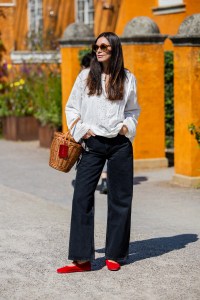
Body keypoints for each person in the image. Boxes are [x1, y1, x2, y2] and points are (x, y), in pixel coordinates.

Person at [57, 32, 140, 273]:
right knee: (82, 196)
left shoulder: (127, 78)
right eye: (96, 46)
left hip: (119, 145)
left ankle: (115, 254)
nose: (98, 50)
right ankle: (81, 259)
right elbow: (71, 107)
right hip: (92, 145)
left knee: (120, 198)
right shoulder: (85, 77)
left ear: (115, 49)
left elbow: (133, 109)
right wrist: (82, 131)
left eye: (104, 46)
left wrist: (127, 127)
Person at [81, 52, 108, 194]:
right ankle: (104, 179)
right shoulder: (90, 77)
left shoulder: (85, 77)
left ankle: (100, 178)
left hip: (90, 129)